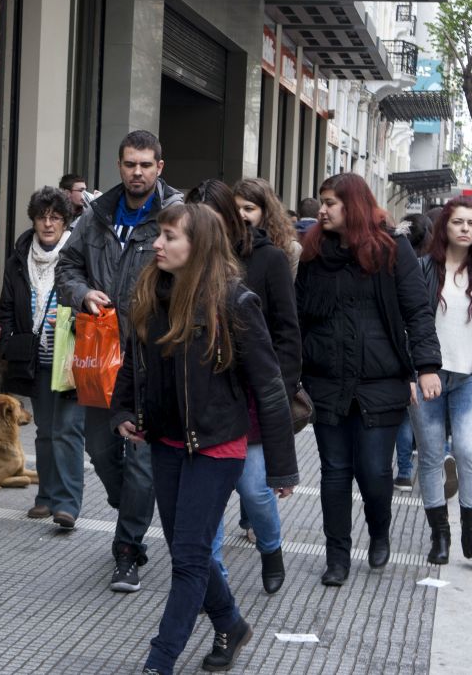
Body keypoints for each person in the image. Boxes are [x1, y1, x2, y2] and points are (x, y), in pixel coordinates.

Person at [110, 203, 297, 674]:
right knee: (186, 549)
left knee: (189, 560)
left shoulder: (235, 301)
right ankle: (231, 623)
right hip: (167, 441)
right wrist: (124, 409)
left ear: (200, 246)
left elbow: (270, 387)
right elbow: (136, 358)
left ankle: (160, 660)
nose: (157, 243)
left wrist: (281, 467)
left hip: (217, 447)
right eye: (160, 234)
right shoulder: (153, 290)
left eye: (170, 236)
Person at [297, 173, 442, 587]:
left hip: (381, 381)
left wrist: (427, 366)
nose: (321, 210)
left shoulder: (392, 251)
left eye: (330, 203)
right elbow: (297, 316)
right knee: (334, 471)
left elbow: (417, 312)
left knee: (375, 471)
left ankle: (379, 532)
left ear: (353, 206)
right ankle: (337, 557)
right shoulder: (313, 254)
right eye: (322, 202)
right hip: (327, 380)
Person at [56, 129, 184, 593]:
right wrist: (81, 292)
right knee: (101, 450)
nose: (137, 172)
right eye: (130, 163)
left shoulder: (178, 215)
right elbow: (66, 267)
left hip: (154, 356)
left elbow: (194, 272)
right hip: (98, 354)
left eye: (146, 165)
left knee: (142, 462)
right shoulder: (97, 214)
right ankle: (132, 512)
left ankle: (126, 549)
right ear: (119, 165)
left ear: (159, 168)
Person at [187, 179, 300, 595]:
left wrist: (280, 392)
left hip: (252, 394)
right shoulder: (184, 261)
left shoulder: (268, 260)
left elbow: (288, 333)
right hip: (202, 397)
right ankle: (212, 578)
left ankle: (271, 548)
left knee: (254, 488)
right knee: (209, 496)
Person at [409, 195, 472, 573]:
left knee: (470, 453)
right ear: (444, 227)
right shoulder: (423, 269)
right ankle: (440, 534)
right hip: (428, 377)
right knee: (432, 456)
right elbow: (411, 325)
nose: (465, 229)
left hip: (471, 378)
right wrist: (415, 372)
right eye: (458, 223)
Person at [0, 187, 85, 529]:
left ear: (66, 222)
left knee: (68, 431)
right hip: (33, 359)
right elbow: (6, 306)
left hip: (70, 357)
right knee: (45, 432)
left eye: (56, 217)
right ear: (33, 220)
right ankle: (45, 497)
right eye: (42, 217)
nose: (48, 224)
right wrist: (7, 340)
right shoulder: (20, 258)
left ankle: (67, 503)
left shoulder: (77, 256)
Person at [393, 212, 437, 492]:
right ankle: (435, 457)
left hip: (400, 346)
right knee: (426, 409)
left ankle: (404, 471)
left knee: (403, 414)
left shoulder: (397, 263)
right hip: (427, 349)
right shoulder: (433, 268)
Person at [233, 178, 302, 277]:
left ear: (266, 212)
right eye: (236, 209)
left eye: (248, 209)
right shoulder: (226, 241)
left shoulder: (290, 248)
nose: (240, 215)